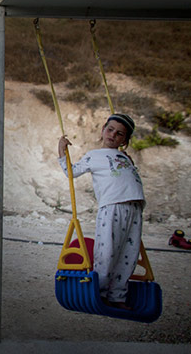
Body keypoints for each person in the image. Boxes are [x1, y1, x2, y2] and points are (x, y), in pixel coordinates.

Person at [57, 113, 145, 310]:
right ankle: (101, 293)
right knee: (107, 251)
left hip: (135, 208)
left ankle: (118, 296)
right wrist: (61, 151)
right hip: (112, 206)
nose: (113, 135)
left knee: (128, 253)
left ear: (125, 140)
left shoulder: (125, 157)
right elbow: (72, 172)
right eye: (110, 129)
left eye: (120, 134)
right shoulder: (94, 155)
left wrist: (128, 160)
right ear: (103, 130)